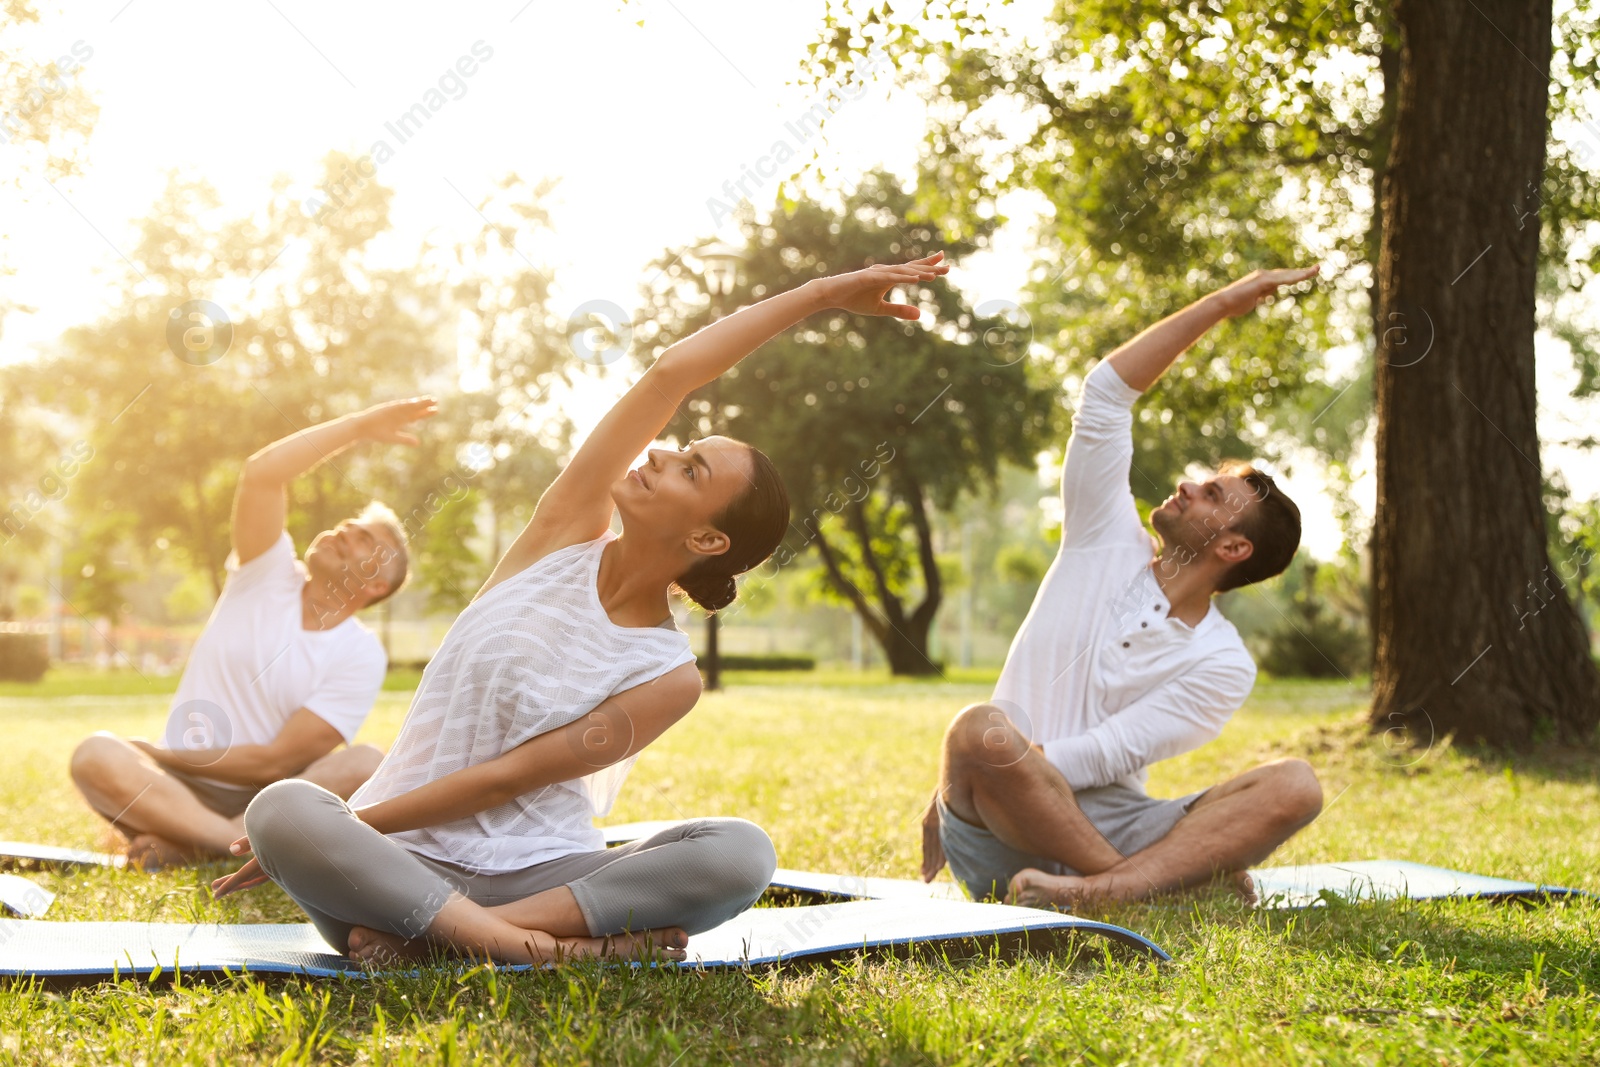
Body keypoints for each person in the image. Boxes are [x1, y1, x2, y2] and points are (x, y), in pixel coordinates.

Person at [211, 252, 953, 967]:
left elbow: (506, 780)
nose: (662, 453)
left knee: (742, 851)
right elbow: (672, 373)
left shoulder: (668, 676)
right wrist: (824, 294)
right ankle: (542, 954)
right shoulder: (560, 533)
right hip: (397, 869)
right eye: (681, 446)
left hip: (533, 880)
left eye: (691, 467)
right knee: (283, 809)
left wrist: (352, 832)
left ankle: (459, 940)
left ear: (706, 536)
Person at [920, 266, 1326, 910]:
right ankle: (1138, 891)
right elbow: (1106, 393)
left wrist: (987, 762)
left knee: (1298, 784)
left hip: (1116, 820)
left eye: (1213, 494)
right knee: (979, 730)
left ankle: (1100, 889)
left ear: (1231, 548)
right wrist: (1223, 302)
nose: (1190, 484)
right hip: (1003, 834)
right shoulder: (1103, 535)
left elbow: (1105, 756)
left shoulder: (1224, 662)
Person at [69, 399, 431, 869]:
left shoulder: (360, 652)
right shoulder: (266, 572)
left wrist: (168, 753)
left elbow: (276, 763)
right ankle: (230, 845)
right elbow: (262, 473)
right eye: (349, 524)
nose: (347, 531)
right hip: (173, 785)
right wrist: (360, 427)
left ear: (377, 585)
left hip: (263, 799)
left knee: (365, 761)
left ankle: (200, 841)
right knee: (94, 754)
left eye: (368, 540)